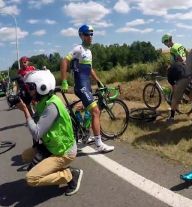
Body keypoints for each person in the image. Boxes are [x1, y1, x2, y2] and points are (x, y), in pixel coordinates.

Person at [16, 70, 83, 196]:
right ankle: (50, 167)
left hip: (64, 152)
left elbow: (36, 133)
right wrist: (27, 107)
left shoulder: (52, 106)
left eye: (31, 88)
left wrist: (25, 110)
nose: (29, 91)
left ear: (42, 87)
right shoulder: (44, 101)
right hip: (52, 146)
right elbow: (36, 121)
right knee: (26, 156)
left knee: (31, 179)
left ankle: (70, 175)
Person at [60, 24, 114, 152]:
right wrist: (64, 81)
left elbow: (90, 69)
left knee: (88, 110)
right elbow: (64, 61)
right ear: (81, 36)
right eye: (87, 34)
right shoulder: (78, 49)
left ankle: (84, 135)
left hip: (87, 85)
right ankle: (99, 144)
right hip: (80, 85)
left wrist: (99, 81)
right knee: (96, 111)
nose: (90, 36)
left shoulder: (89, 52)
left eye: (91, 34)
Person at [161, 34, 192, 123]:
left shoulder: (173, 48)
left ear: (168, 40)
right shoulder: (180, 45)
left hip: (181, 71)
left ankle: (172, 118)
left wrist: (177, 65)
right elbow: (188, 55)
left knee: (175, 97)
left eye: (165, 42)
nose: (165, 44)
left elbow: (181, 58)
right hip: (189, 72)